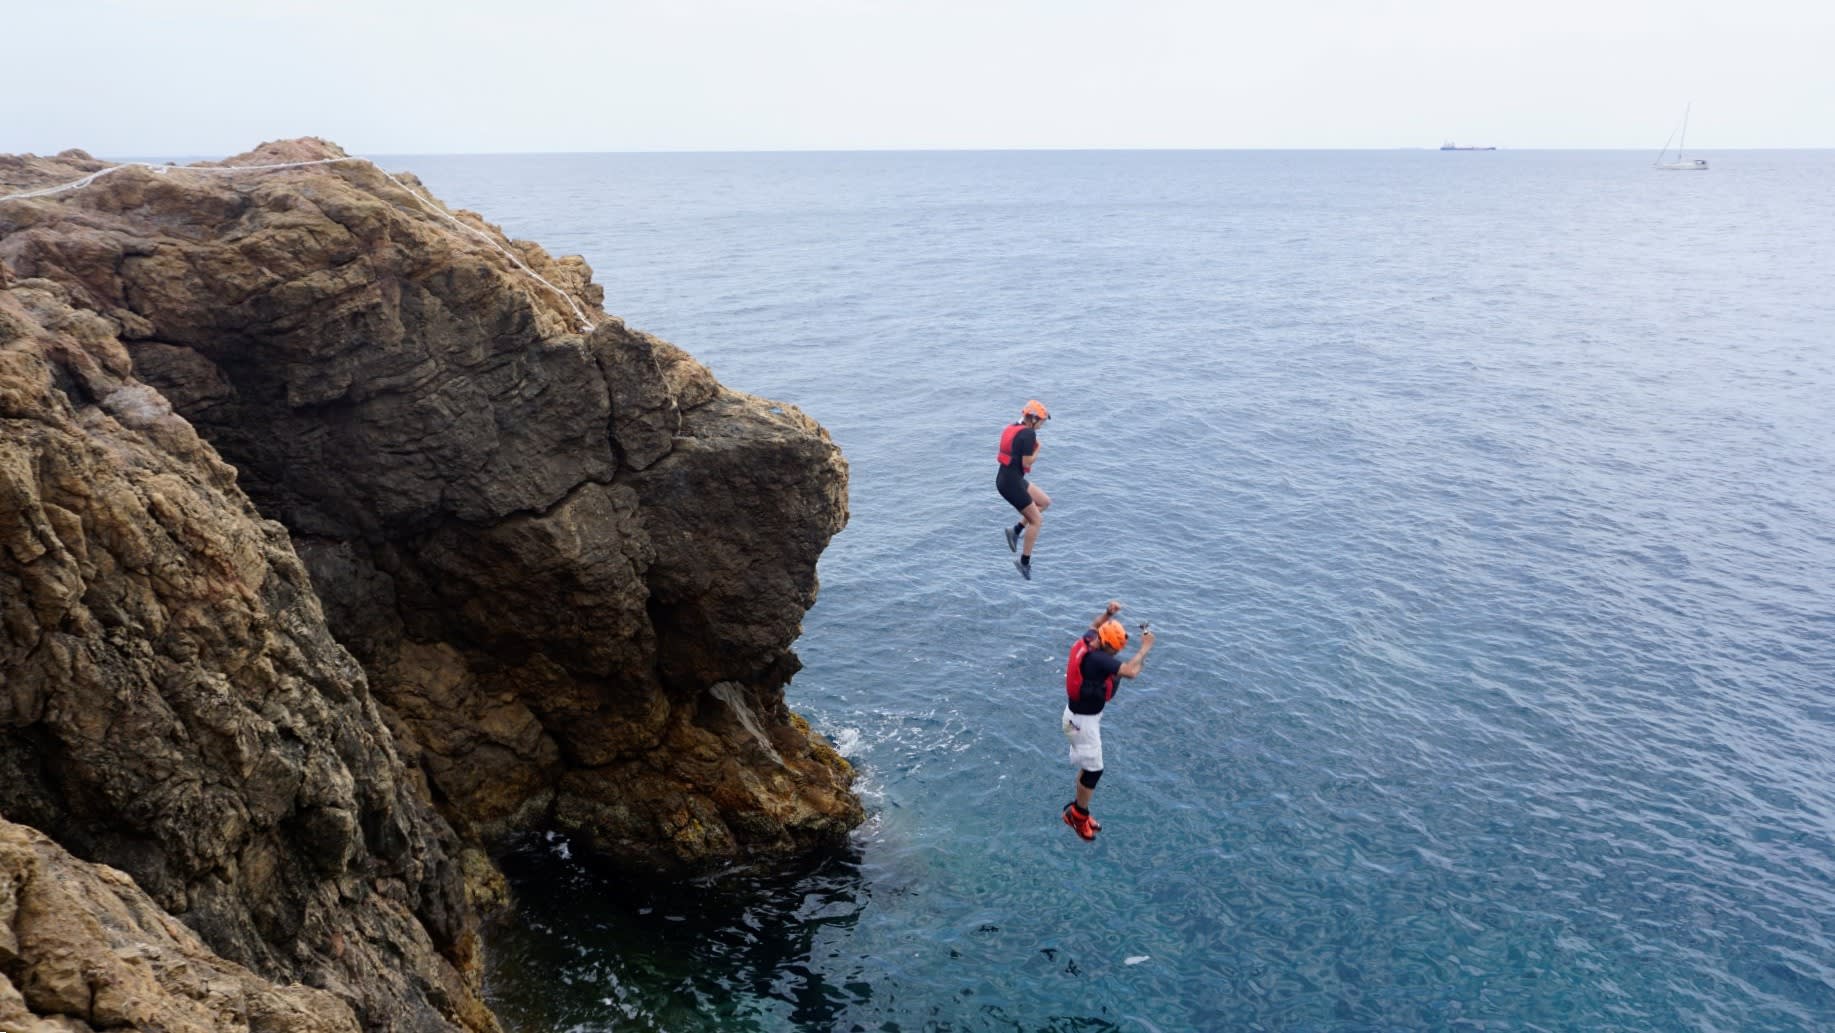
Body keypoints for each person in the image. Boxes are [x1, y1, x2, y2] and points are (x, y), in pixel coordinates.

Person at [1061, 600, 1155, 841]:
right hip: (1083, 723)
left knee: (1088, 766)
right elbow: (1132, 672)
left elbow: (1094, 624)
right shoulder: (1099, 660)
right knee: (1094, 770)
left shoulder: (1088, 641)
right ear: (1110, 648)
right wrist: (1145, 647)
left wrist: (1107, 613)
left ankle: (1077, 809)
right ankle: (1077, 816)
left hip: (1073, 719)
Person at [997, 399, 1051, 580]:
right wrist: (1038, 450)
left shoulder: (1012, 427)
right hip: (1011, 484)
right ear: (1034, 419)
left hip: (1009, 479)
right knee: (1037, 521)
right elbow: (1026, 462)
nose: (1042, 425)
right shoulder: (1028, 434)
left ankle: (1016, 530)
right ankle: (1024, 562)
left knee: (1044, 502)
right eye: (1042, 421)